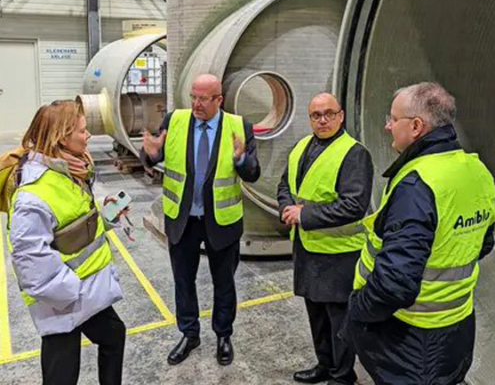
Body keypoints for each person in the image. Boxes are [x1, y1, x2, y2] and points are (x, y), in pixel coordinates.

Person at [345, 82, 495, 384]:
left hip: (410, 342)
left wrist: (356, 311)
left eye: (392, 118)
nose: (387, 126)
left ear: (416, 126)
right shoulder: (477, 171)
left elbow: (395, 285)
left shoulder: (417, 185)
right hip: (458, 331)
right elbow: (483, 242)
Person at [141, 74, 260, 366]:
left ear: (219, 100)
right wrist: (151, 153)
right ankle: (189, 333)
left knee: (224, 283)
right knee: (183, 281)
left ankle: (223, 335)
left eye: (203, 98)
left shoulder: (238, 126)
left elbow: (253, 173)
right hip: (183, 220)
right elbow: (155, 156)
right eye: (193, 96)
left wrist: (241, 159)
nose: (196, 104)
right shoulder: (175, 120)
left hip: (222, 220)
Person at [7, 100, 126, 385]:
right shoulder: (31, 198)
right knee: (62, 375)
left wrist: (106, 216)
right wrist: (76, 294)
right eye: (83, 131)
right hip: (63, 301)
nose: (89, 136)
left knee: (114, 335)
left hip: (86, 294)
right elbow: (32, 268)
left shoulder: (68, 174)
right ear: (62, 137)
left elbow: (76, 225)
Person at [277, 92, 373, 384]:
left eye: (328, 114)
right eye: (316, 115)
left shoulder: (354, 153)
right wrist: (286, 208)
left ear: (341, 116)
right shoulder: (301, 147)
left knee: (338, 321)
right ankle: (324, 364)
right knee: (316, 314)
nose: (322, 120)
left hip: (338, 254)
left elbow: (354, 205)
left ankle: (343, 376)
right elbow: (285, 186)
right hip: (307, 249)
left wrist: (304, 216)